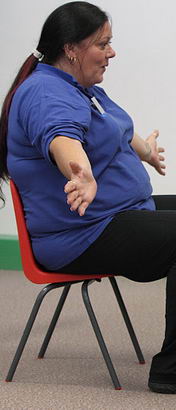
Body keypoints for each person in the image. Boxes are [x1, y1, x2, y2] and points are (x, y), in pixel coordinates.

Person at [0, 0, 176, 394]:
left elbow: (114, 126)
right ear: (71, 48)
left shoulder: (79, 87)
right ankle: (170, 371)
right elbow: (63, 139)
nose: (112, 53)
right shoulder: (44, 94)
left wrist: (146, 152)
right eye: (103, 44)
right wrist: (82, 175)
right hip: (80, 233)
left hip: (115, 214)